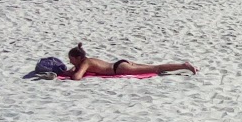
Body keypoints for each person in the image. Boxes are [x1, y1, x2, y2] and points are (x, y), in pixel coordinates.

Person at [66, 43, 195, 79]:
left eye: (71, 59)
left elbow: (77, 77)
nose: (70, 62)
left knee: (157, 69)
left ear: (78, 58)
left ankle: (184, 65)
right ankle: (184, 66)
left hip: (120, 69)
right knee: (155, 66)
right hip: (121, 63)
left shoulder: (85, 63)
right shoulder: (88, 60)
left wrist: (74, 72)